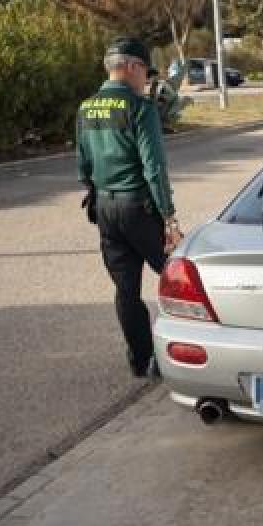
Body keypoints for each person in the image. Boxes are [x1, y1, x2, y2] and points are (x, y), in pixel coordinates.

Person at [78, 37, 183, 378]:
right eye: (146, 74)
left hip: (105, 208)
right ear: (132, 67)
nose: (147, 82)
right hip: (138, 208)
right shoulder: (140, 109)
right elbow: (154, 168)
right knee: (178, 276)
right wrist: (168, 216)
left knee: (126, 289)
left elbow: (83, 165)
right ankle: (190, 352)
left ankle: (141, 360)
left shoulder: (86, 107)